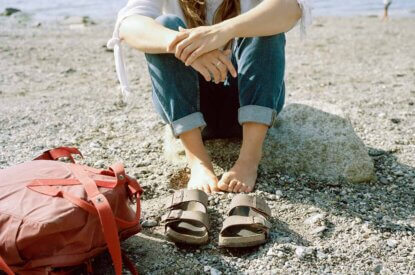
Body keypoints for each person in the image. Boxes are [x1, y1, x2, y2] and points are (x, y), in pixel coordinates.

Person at [107, 0, 312, 194]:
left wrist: (224, 31)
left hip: (250, 98)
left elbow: (292, 7)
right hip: (188, 105)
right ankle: (198, 161)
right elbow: (129, 24)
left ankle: (249, 158)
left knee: (264, 21)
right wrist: (186, 47)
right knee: (165, 25)